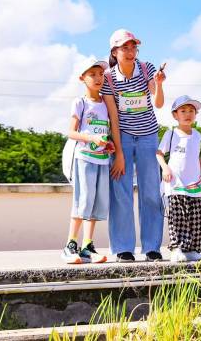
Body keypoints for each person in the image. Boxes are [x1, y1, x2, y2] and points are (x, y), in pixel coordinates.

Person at [101, 29, 166, 262]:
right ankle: (123, 248)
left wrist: (158, 84)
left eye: (133, 47)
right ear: (114, 52)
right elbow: (113, 119)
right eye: (125, 48)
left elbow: (158, 103)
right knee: (121, 193)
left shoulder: (147, 68)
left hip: (148, 136)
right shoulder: (108, 78)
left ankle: (151, 247)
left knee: (151, 193)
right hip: (124, 137)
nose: (130, 52)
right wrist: (119, 153)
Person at [156, 95, 201, 262]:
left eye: (191, 111)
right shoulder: (171, 134)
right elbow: (159, 153)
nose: (188, 114)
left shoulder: (197, 136)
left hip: (194, 186)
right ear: (175, 115)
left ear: (196, 114)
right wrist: (165, 168)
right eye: (183, 110)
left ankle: (192, 249)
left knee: (196, 219)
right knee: (178, 218)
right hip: (175, 185)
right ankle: (177, 249)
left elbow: (196, 158)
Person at [61, 59, 115, 264]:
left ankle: (87, 246)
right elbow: (71, 132)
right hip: (83, 158)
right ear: (82, 78)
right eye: (92, 74)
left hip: (102, 160)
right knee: (82, 201)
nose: (98, 78)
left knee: (95, 203)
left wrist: (108, 143)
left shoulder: (106, 103)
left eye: (101, 74)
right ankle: (70, 245)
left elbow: (104, 131)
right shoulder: (80, 102)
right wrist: (91, 138)